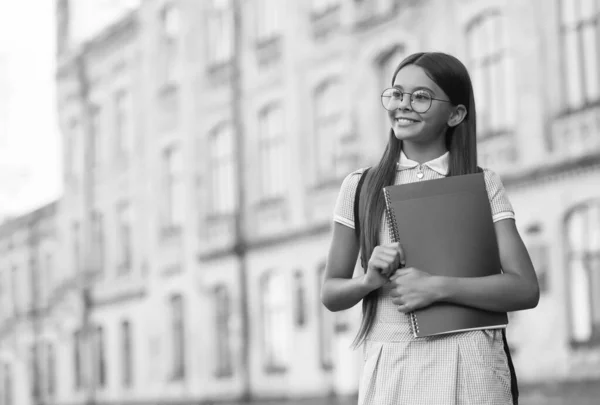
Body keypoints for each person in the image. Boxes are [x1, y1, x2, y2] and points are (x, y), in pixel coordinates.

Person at [321, 52, 539, 405]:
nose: (403, 106)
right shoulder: (359, 186)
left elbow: (525, 288)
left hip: (471, 366)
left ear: (456, 114)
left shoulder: (483, 184)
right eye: (396, 94)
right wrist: (369, 281)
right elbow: (330, 292)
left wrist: (437, 287)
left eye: (421, 97)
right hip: (392, 369)